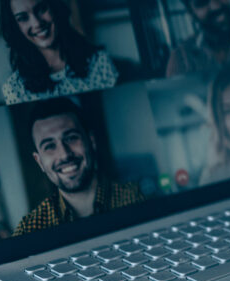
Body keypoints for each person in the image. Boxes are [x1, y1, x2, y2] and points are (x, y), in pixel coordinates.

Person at [13, 98, 143, 236]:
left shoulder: (137, 198)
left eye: (71, 138)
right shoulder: (28, 229)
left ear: (91, 141)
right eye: (49, 146)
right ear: (39, 162)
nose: (64, 154)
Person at [0, 0, 118, 105]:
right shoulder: (14, 88)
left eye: (41, 9)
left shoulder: (99, 62)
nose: (37, 23)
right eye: (23, 18)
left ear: (54, 7)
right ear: (15, 28)